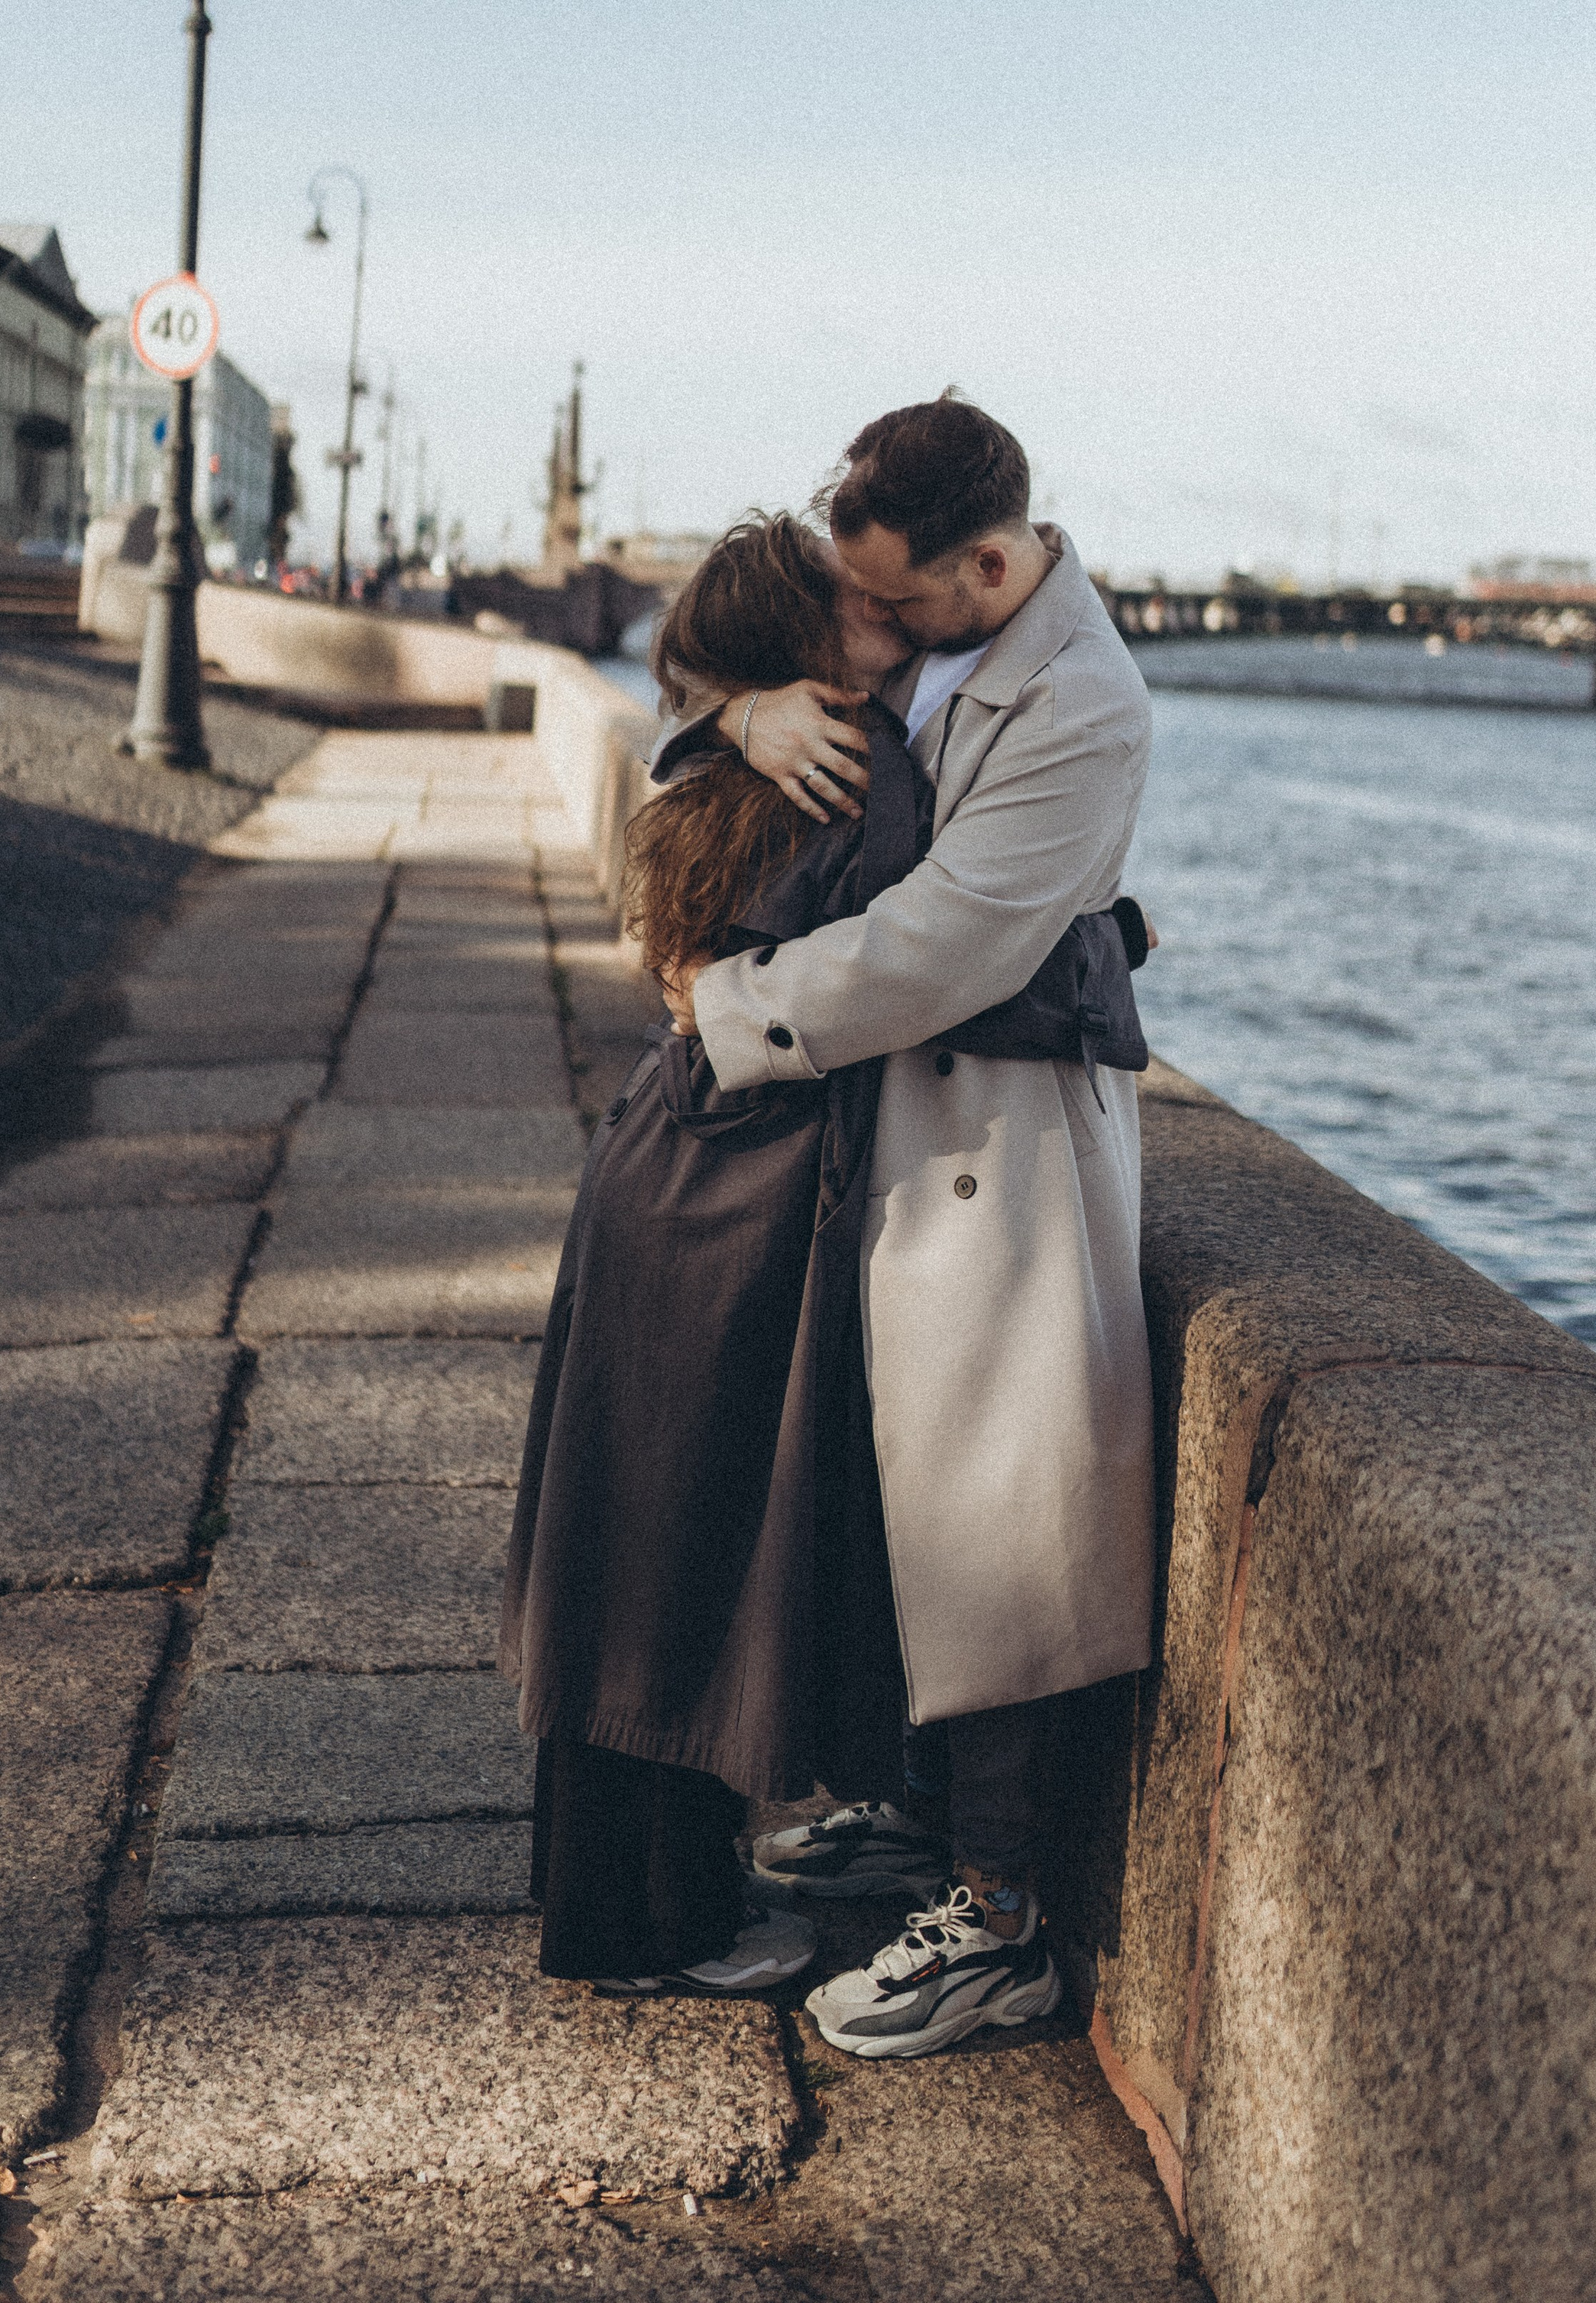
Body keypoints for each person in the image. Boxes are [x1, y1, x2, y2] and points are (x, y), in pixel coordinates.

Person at [500, 499, 1151, 2016]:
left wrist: (728, 707)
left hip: (665, 1156)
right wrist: (1110, 946)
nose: (890, 621)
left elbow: (708, 849)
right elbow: (968, 938)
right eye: (856, 614)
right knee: (686, 1557)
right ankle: (652, 1918)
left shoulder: (742, 764)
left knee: (634, 1545)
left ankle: (624, 1896)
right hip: (734, 1185)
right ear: (808, 648)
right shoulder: (866, 780)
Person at [672, 393, 1157, 2062]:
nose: (871, 625)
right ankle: (919, 1818)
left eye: (904, 600)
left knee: (999, 1522)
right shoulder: (918, 618)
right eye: (851, 588)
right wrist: (734, 712)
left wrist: (723, 1010)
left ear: (997, 559)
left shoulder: (1083, 704)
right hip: (882, 1121)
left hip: (994, 1151)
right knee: (893, 1500)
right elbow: (720, 634)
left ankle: (1005, 1923)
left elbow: (950, 941)